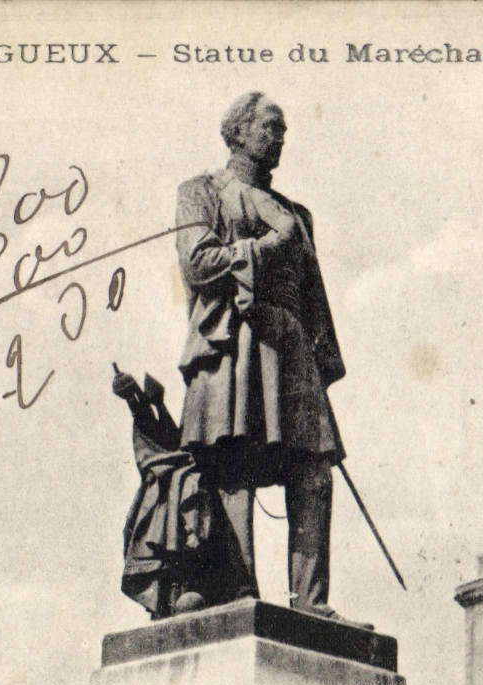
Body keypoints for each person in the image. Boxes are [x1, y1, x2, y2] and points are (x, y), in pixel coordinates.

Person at [174, 92, 351, 619]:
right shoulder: (201, 192)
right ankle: (237, 590)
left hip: (291, 349)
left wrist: (321, 357)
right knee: (235, 461)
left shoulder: (297, 213)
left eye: (284, 130)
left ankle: (311, 602)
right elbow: (198, 262)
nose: (280, 138)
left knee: (315, 470)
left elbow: (313, 292)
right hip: (235, 344)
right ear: (238, 132)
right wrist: (264, 249)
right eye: (270, 127)